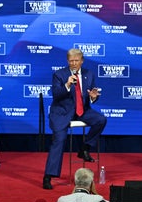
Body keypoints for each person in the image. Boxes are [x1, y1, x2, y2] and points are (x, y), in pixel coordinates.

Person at [43, 48, 107, 190]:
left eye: (76, 61)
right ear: (67, 61)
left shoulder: (88, 74)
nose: (73, 63)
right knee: (59, 140)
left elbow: (90, 95)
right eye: (71, 61)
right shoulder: (59, 74)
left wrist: (94, 97)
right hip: (62, 112)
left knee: (101, 119)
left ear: (82, 61)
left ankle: (84, 148)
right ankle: (48, 176)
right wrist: (67, 85)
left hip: (82, 111)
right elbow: (56, 95)